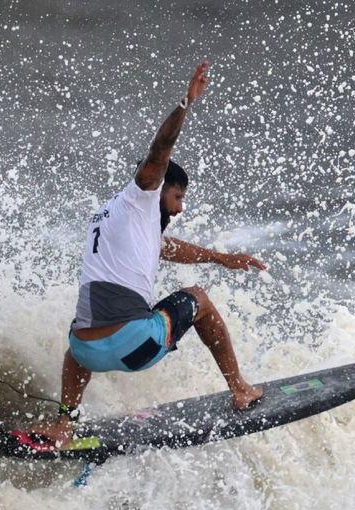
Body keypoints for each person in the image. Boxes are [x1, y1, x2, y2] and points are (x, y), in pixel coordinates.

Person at [33, 61, 266, 447]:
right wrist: (184, 105)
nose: (178, 209)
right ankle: (240, 388)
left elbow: (165, 248)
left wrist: (220, 257)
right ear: (159, 187)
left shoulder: (110, 217)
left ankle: (65, 422)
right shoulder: (143, 193)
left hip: (88, 353)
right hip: (136, 346)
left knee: (80, 334)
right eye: (178, 198)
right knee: (200, 300)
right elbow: (160, 150)